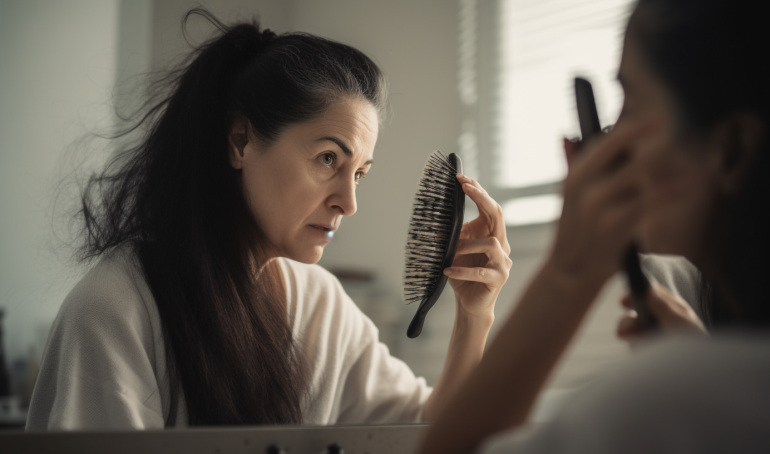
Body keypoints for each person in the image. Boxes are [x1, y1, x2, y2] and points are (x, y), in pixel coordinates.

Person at [26, 9, 512, 430]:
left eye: (359, 174)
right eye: (327, 160)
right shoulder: (116, 309)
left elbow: (432, 433)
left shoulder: (320, 306)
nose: (349, 201)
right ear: (240, 141)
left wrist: (474, 316)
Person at [419, 0, 770, 452]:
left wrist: (567, 276)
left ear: (733, 150)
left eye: (632, 101)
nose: (607, 134)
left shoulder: (671, 399)